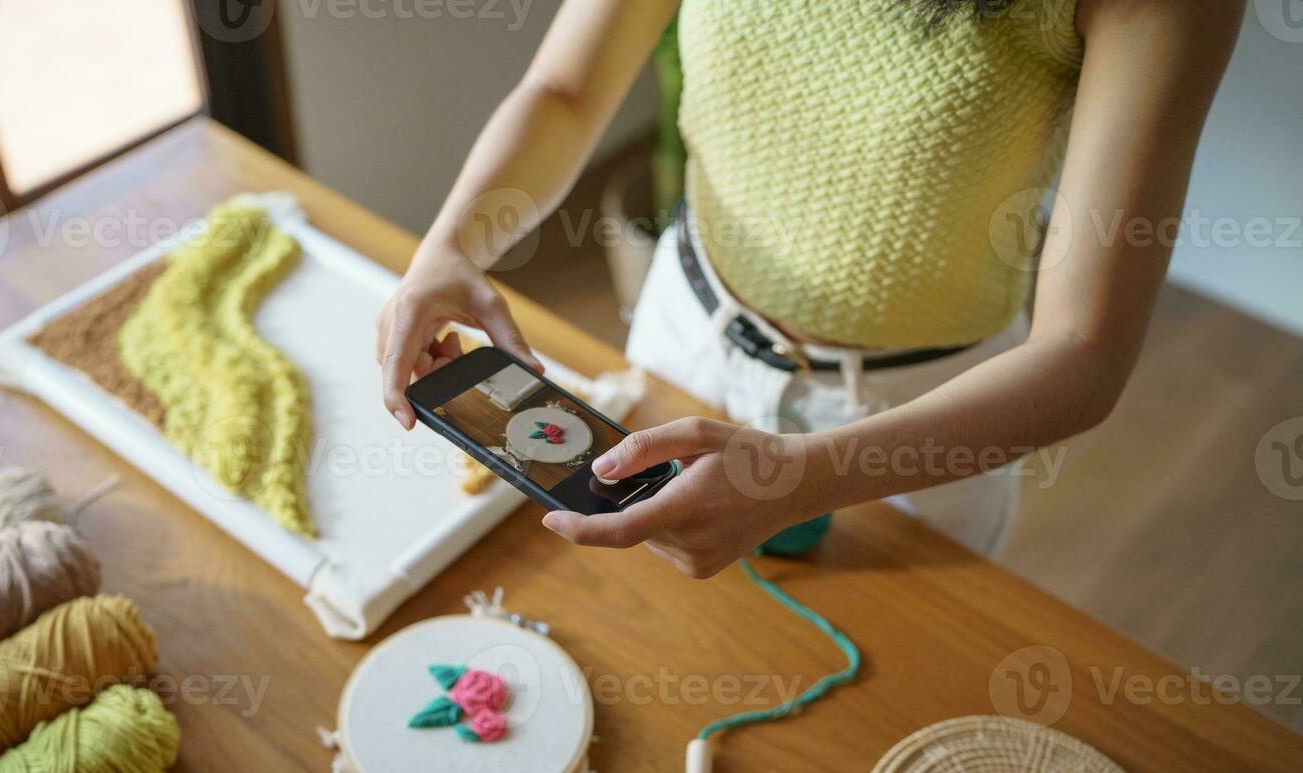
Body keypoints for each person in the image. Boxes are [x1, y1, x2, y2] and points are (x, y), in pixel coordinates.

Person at [375, 0, 1243, 578]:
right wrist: (452, 244)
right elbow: (564, 92)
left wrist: (799, 480)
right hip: (686, 333)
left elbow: (1083, 352)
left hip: (919, 423)